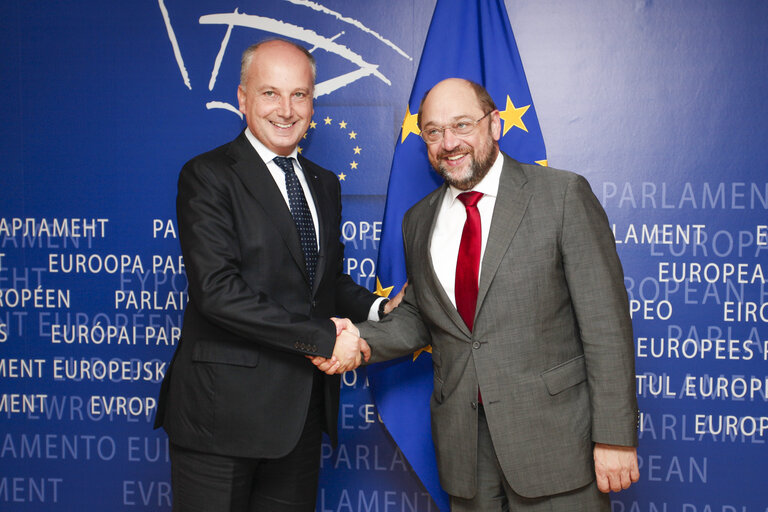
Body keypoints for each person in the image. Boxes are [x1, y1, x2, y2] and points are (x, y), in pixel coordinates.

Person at [314, 78, 639, 511]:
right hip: (465, 449)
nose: (449, 142)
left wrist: (615, 437)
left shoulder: (561, 196)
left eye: (462, 125)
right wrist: (358, 340)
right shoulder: (418, 220)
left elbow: (606, 326)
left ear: (495, 125)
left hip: (557, 444)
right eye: (433, 131)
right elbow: (420, 316)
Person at [154, 39, 389, 512]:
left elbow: (325, 284)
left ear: (312, 102)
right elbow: (218, 293)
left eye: (299, 94)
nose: (286, 109)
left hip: (298, 417)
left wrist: (381, 309)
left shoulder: (324, 183)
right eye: (270, 93)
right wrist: (325, 339)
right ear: (243, 98)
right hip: (221, 420)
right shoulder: (207, 176)